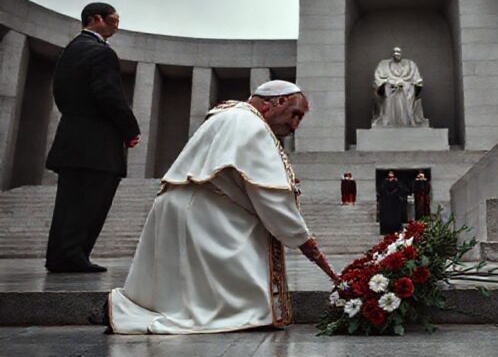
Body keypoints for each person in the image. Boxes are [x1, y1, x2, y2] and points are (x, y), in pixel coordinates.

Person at [108, 80, 340, 334]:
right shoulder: (251, 125)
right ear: (278, 101)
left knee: (179, 298)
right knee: (244, 292)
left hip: (183, 207)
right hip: (205, 215)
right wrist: (303, 239)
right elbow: (270, 198)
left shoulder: (228, 116)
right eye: (295, 115)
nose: (295, 125)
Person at [44, 2, 140, 273]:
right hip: (96, 145)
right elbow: (108, 93)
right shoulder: (100, 52)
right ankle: (72, 256)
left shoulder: (71, 50)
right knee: (89, 203)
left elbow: (60, 93)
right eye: (113, 18)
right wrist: (130, 129)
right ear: (95, 18)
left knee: (70, 203)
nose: (117, 23)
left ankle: (62, 256)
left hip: (73, 137)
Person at [372, 47, 427, 127]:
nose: (396, 54)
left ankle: (407, 119)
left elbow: (417, 79)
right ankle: (389, 120)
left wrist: (405, 84)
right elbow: (379, 79)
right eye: (395, 52)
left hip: (407, 88)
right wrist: (391, 83)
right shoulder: (383, 64)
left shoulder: (410, 64)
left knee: (407, 88)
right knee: (389, 88)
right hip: (389, 87)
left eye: (398, 52)